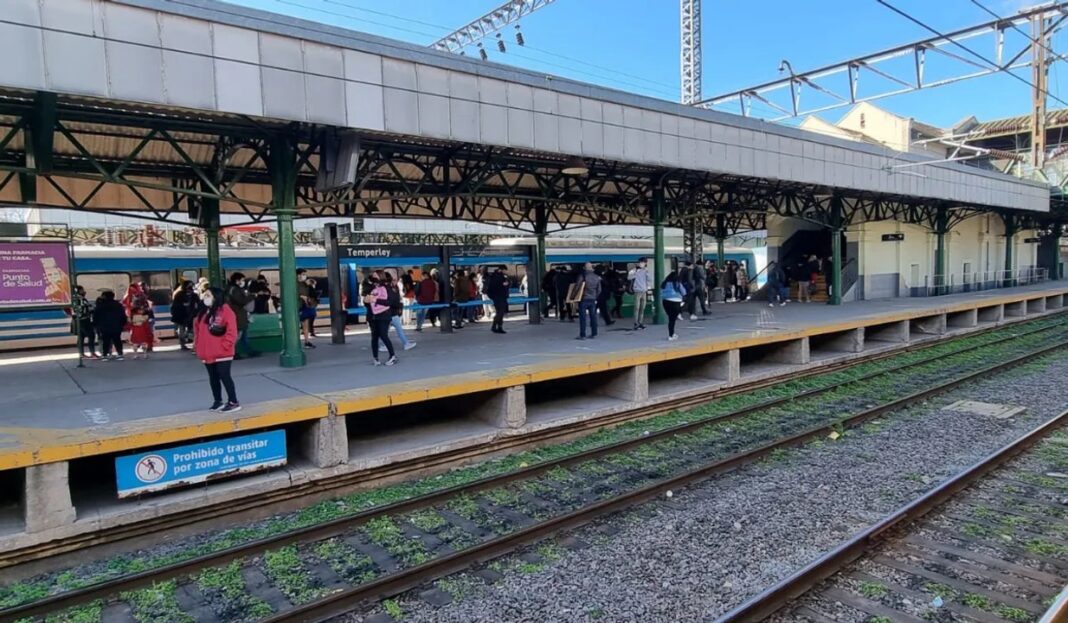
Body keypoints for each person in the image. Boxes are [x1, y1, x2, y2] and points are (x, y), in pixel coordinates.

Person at [194, 286, 240, 412]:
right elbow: (198, 331)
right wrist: (197, 347)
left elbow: (232, 331)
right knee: (213, 377)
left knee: (225, 376)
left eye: (208, 295)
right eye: (205, 295)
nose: (205, 297)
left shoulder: (226, 311)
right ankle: (217, 401)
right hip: (207, 353)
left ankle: (233, 401)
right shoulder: (203, 312)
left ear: (216, 296)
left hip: (223, 353)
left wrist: (225, 345)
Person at [365, 274, 397, 366]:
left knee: (383, 335)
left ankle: (392, 356)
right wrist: (366, 301)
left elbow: (389, 302)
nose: (373, 278)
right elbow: (367, 302)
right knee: (374, 337)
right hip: (372, 316)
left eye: (375, 276)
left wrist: (375, 300)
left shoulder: (387, 288)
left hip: (384, 316)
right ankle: (375, 358)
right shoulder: (370, 288)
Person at [382, 273, 416, 351]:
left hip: (387, 313)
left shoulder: (385, 288)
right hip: (393, 313)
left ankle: (385, 345)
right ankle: (406, 343)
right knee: (399, 330)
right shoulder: (393, 288)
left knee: (385, 331)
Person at [93, 290, 127, 360]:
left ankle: (105, 355)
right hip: (116, 326)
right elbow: (123, 316)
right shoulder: (118, 305)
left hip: (104, 326)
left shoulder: (100, 306)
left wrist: (96, 325)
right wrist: (122, 324)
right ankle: (120, 354)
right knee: (117, 340)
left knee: (106, 341)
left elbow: (95, 316)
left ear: (104, 296)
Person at [226, 273, 254, 358]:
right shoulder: (234, 290)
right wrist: (251, 297)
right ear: (237, 280)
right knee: (238, 335)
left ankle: (249, 351)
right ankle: (231, 352)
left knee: (243, 335)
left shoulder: (231, 289)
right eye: (242, 280)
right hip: (237, 315)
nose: (243, 282)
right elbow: (241, 301)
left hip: (238, 315)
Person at [575, 262, 601, 340]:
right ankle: (594, 333)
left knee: (583, 317)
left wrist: (574, 296)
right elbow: (599, 289)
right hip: (592, 299)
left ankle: (583, 335)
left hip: (583, 299)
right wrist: (595, 296)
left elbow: (577, 287)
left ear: (584, 268)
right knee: (593, 316)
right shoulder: (597, 277)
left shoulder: (582, 276)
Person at [71, 285, 98, 359]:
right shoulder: (81, 299)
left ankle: (81, 353)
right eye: (82, 290)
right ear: (78, 291)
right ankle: (92, 353)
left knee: (81, 337)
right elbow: (88, 308)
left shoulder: (72, 299)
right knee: (91, 336)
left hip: (76, 320)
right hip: (84, 320)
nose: (84, 291)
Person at [171, 280, 198, 351]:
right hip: (182, 315)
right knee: (183, 330)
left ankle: (192, 344)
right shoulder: (180, 294)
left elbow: (198, 303)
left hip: (190, 315)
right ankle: (183, 344)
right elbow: (175, 305)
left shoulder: (194, 295)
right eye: (189, 286)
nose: (190, 287)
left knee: (191, 330)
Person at [660, 270, 686, 341]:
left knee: (670, 319)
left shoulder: (664, 283)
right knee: (672, 320)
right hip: (676, 301)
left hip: (665, 301)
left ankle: (672, 334)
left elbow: (661, 292)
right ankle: (671, 335)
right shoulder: (677, 283)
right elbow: (684, 292)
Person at [128, 293, 155, 359]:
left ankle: (135, 354)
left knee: (135, 342)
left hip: (134, 329)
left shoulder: (131, 314)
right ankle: (145, 354)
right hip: (142, 329)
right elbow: (147, 317)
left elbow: (129, 321)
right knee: (144, 342)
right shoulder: (144, 315)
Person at [485, 265, 511, 334]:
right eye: (505, 270)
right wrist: (504, 284)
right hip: (499, 297)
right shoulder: (497, 277)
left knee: (500, 312)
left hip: (499, 297)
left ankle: (498, 327)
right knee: (500, 312)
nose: (506, 272)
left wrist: (506, 284)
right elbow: (496, 286)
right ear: (501, 269)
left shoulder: (499, 276)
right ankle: (496, 326)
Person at [628, 258, 650, 330]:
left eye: (643, 262)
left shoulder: (647, 270)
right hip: (637, 290)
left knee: (642, 308)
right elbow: (629, 277)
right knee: (637, 308)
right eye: (641, 262)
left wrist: (647, 273)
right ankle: (636, 323)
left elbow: (650, 279)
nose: (641, 264)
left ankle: (640, 322)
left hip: (644, 291)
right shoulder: (634, 270)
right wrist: (636, 273)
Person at [299, 277, 319, 349]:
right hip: (305, 308)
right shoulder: (304, 287)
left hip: (304, 308)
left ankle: (306, 341)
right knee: (305, 325)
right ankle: (306, 341)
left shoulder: (307, 288)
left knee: (305, 325)